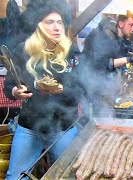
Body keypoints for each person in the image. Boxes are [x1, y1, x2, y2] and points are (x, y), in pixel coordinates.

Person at [3, 0, 84, 179]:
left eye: (60, 22)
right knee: (15, 177)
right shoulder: (22, 51)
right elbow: (9, 86)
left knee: (66, 175)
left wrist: (62, 89)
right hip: (30, 125)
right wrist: (15, 92)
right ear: (38, 25)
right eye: (50, 22)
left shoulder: (71, 52)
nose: (57, 28)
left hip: (63, 126)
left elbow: (81, 90)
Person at [81, 11, 133, 102]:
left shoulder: (118, 38)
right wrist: (128, 59)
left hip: (103, 83)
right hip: (91, 83)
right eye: (131, 25)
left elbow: (118, 57)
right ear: (121, 24)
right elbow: (103, 64)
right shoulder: (104, 35)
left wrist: (124, 72)